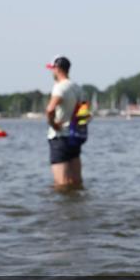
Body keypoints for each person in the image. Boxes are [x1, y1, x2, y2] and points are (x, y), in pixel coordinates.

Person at [45, 55, 84, 189]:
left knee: (62, 185)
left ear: (57, 68)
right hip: (75, 137)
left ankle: (63, 210)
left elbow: (50, 110)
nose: (52, 72)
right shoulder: (78, 88)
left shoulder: (59, 87)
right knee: (76, 182)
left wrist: (54, 125)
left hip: (59, 138)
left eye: (52, 68)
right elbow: (85, 113)